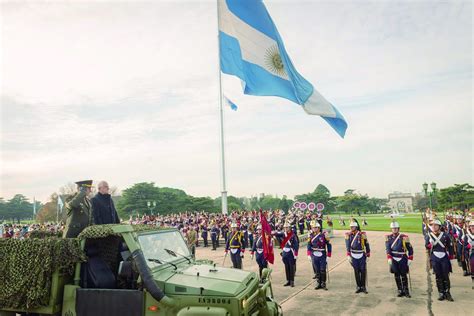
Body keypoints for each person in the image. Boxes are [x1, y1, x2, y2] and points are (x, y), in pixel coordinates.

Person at [425, 219, 455, 301]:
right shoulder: (429, 235)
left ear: (439, 226)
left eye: (436, 225)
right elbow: (426, 247)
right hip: (435, 257)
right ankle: (441, 293)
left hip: (444, 256)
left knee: (446, 275)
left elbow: (450, 246)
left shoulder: (445, 235)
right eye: (432, 225)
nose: (434, 227)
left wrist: (451, 257)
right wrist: (429, 244)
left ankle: (447, 293)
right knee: (438, 276)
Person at [385, 221, 414, 298]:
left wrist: (410, 258)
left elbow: (410, 249)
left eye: (395, 228)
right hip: (393, 258)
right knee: (396, 275)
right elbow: (388, 249)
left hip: (402, 258)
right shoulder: (388, 238)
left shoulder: (404, 237)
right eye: (393, 228)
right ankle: (400, 290)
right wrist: (389, 257)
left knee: (403, 275)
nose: (394, 229)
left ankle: (406, 290)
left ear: (398, 229)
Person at [345, 219, 370, 294]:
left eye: (353, 227)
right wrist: (348, 255)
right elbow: (348, 246)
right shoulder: (348, 235)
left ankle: (363, 286)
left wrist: (368, 254)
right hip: (353, 255)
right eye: (350, 227)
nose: (351, 228)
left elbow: (367, 244)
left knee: (363, 270)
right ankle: (358, 286)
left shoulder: (362, 234)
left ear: (356, 227)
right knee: (356, 271)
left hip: (361, 254)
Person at [307, 221, 331, 290]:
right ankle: (318, 283)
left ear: (319, 228)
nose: (314, 229)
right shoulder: (311, 235)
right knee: (317, 270)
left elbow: (329, 245)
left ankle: (323, 283)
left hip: (322, 254)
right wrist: (308, 254)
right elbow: (309, 245)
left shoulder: (324, 235)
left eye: (316, 228)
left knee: (322, 269)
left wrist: (329, 255)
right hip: (314, 254)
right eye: (313, 228)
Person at [275, 222, 299, 287]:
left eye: (287, 227)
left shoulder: (293, 235)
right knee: (286, 267)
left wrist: (296, 255)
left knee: (291, 267)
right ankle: (288, 280)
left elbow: (296, 245)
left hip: (291, 252)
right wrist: (269, 231)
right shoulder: (283, 234)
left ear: (290, 228)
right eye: (284, 227)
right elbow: (277, 234)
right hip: (285, 252)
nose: (285, 228)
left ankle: (292, 281)